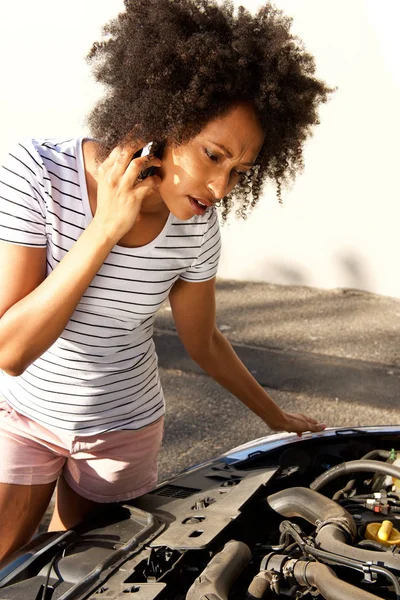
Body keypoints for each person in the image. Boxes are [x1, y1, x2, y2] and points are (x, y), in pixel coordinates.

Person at [0, 0, 332, 563]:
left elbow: (203, 340)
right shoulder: (36, 173)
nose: (220, 188)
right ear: (163, 117)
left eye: (239, 171)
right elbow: (10, 349)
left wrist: (275, 417)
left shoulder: (196, 224)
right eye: (212, 155)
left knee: (89, 571)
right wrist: (104, 228)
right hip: (24, 415)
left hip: (124, 429)